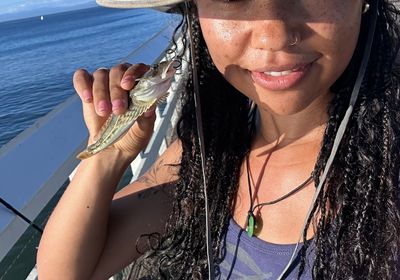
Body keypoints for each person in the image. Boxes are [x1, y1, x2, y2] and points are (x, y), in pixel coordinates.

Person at [37, 0, 400, 279]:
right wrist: (108, 154)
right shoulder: (207, 159)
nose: (272, 34)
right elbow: (69, 271)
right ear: (196, 14)